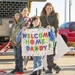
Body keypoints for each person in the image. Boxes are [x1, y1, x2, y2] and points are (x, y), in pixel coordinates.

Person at [40, 2, 61, 74]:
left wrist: (52, 28)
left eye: (50, 8)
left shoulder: (55, 16)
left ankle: (56, 68)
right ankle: (48, 69)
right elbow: (38, 24)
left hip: (51, 38)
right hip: (43, 38)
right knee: (42, 54)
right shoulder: (42, 17)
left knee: (50, 55)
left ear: (52, 9)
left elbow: (57, 27)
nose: (48, 9)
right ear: (45, 8)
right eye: (47, 8)